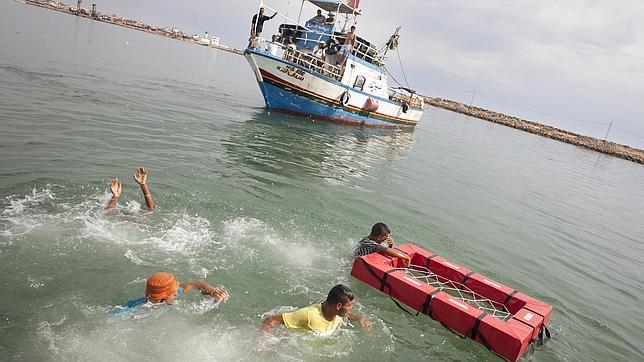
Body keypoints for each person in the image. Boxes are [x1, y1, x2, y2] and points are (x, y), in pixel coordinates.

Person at [262, 284, 371, 335]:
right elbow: (271, 320)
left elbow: (348, 315)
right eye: (349, 305)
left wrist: (360, 318)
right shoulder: (308, 315)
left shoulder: (337, 314)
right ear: (338, 306)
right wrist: (261, 343)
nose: (350, 309)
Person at [120, 272, 230, 311]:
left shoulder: (170, 295)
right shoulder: (138, 309)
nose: (177, 293)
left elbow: (197, 283)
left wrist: (213, 291)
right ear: (161, 297)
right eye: (173, 292)